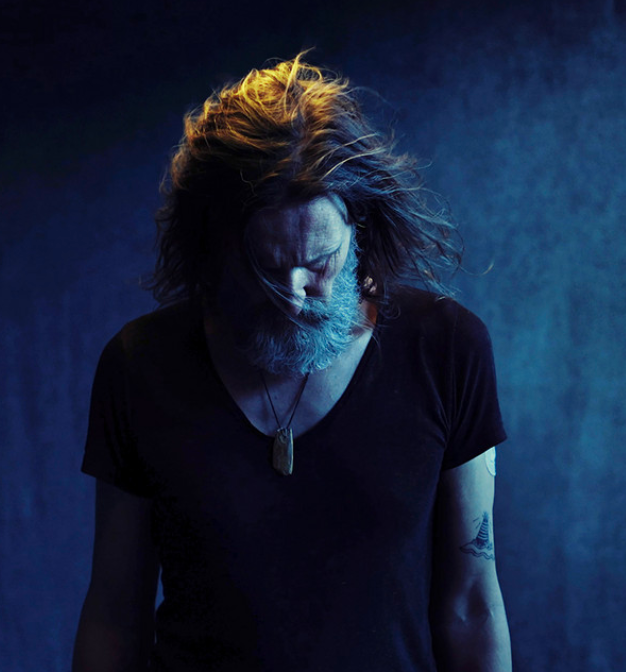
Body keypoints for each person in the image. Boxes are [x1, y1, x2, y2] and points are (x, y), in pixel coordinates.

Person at [73, 54, 512, 672]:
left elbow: (471, 606)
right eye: (269, 267)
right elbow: (115, 615)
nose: (296, 294)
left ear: (359, 230)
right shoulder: (139, 366)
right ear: (219, 248)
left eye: (320, 262)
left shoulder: (447, 349)